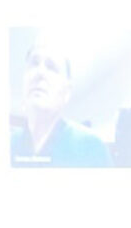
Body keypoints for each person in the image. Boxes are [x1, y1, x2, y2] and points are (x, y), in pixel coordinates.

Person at [11, 39, 113, 168]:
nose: (39, 72)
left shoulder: (91, 148)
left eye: (51, 67)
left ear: (67, 93)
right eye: (34, 63)